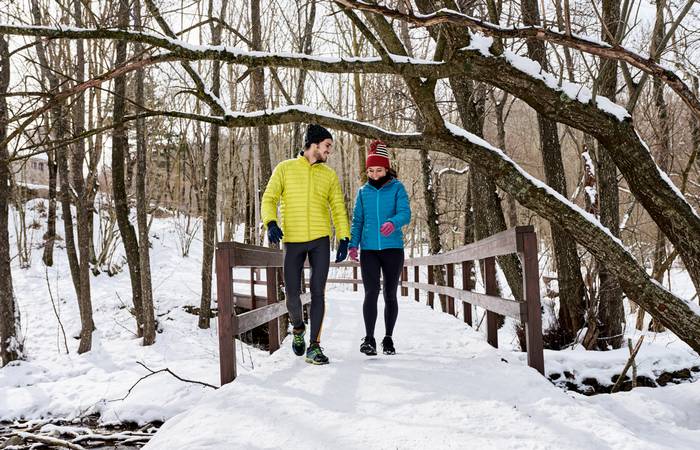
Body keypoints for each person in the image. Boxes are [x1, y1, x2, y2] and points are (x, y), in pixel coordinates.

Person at [261, 124, 350, 365]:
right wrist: (270, 222)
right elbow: (269, 198)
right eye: (327, 146)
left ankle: (315, 346)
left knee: (318, 293)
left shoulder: (328, 175)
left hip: (320, 240)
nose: (329, 151)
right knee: (292, 293)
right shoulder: (285, 169)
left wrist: (344, 236)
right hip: (293, 239)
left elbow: (338, 209)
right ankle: (298, 328)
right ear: (314, 144)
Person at [349, 140, 411, 356]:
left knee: (390, 294)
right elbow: (357, 221)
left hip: (393, 248)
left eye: (379, 169)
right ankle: (369, 339)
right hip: (369, 250)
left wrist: (393, 222)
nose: (375, 174)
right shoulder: (363, 192)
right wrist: (352, 245)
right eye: (371, 170)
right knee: (371, 292)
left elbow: (406, 213)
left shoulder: (397, 188)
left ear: (386, 168)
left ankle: (388, 338)